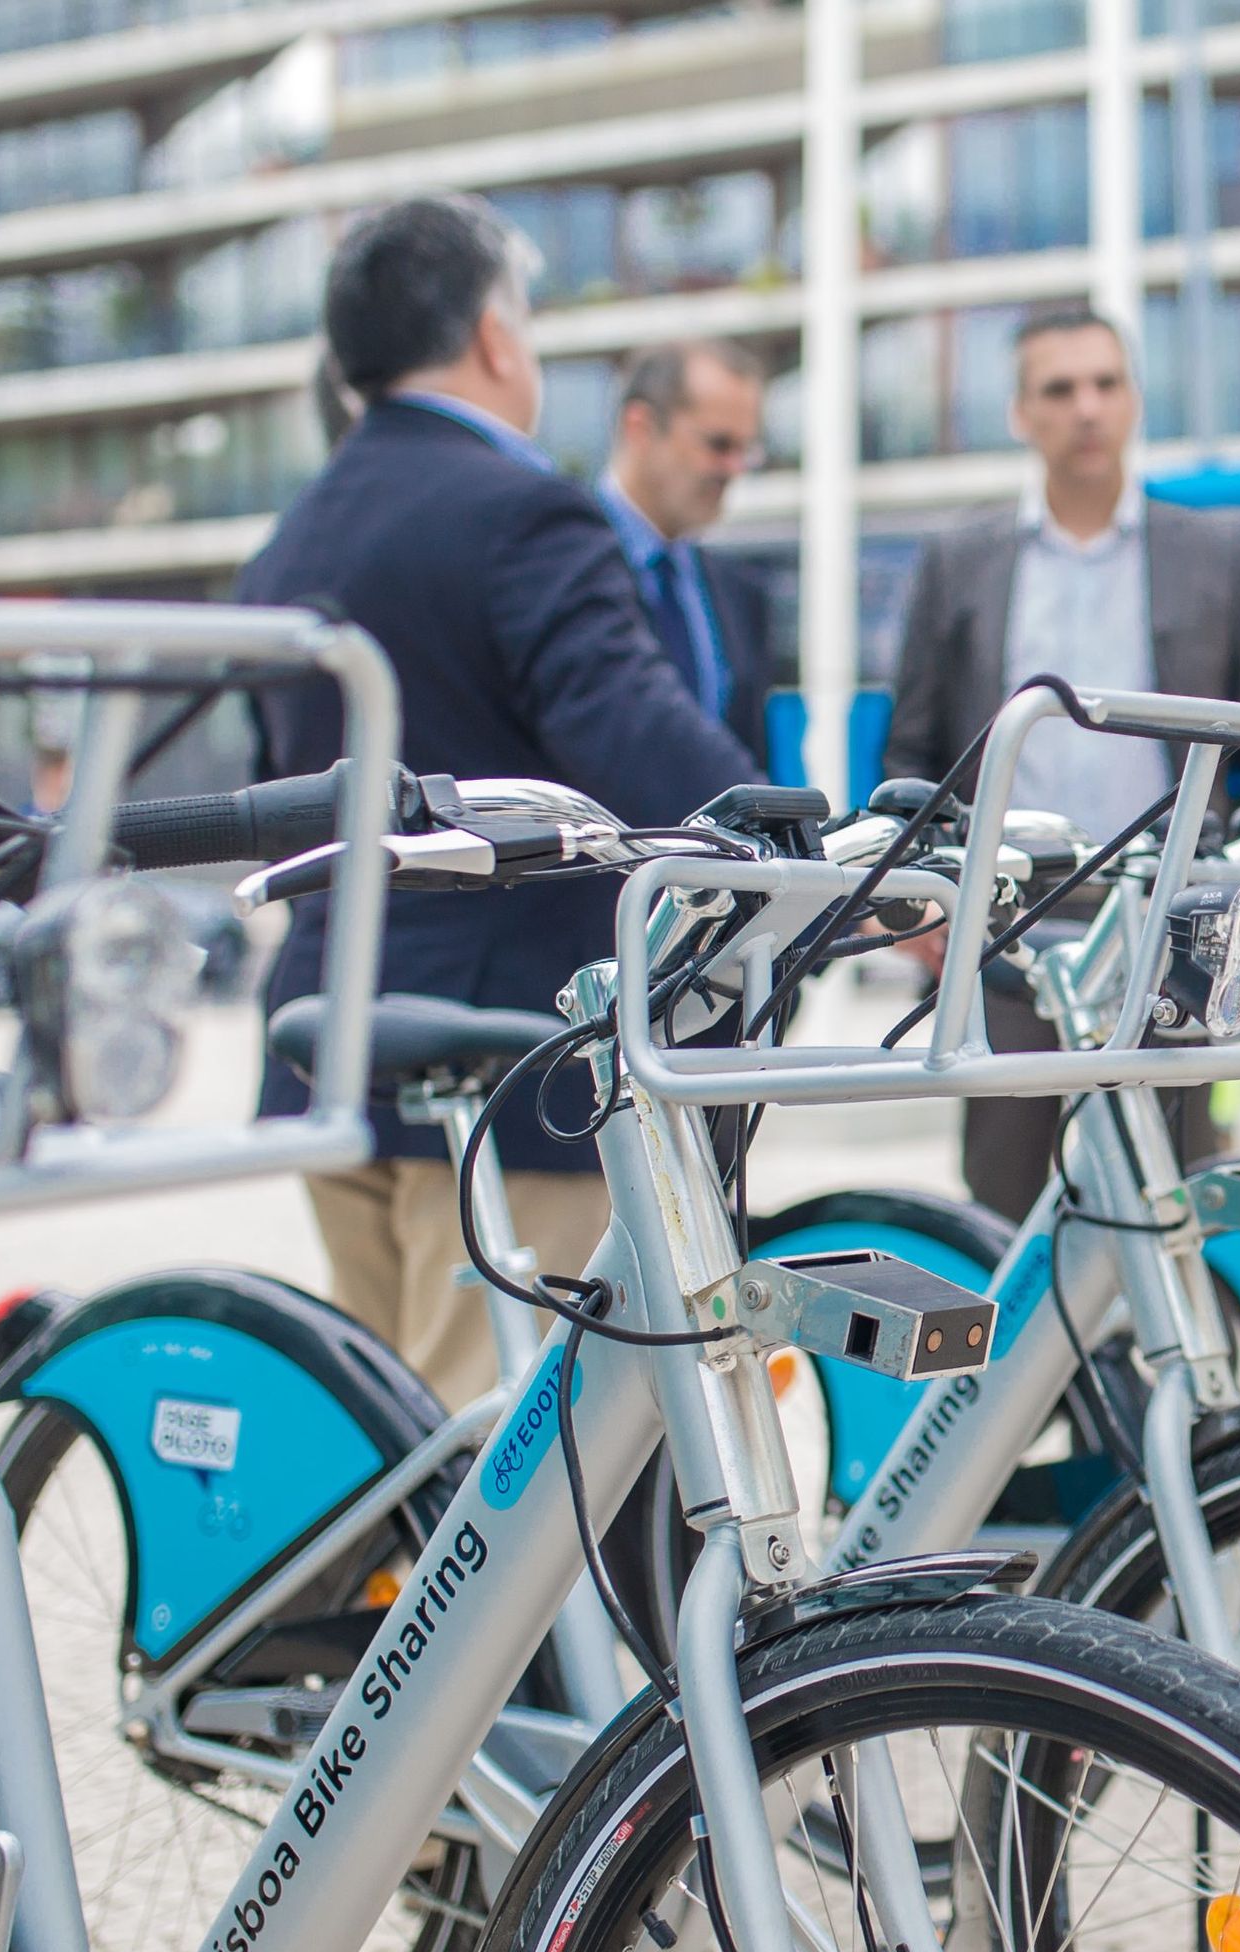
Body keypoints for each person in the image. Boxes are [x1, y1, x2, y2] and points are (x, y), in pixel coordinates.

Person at [240, 196, 764, 1401]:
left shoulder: (294, 538)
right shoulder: (524, 510)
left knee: (387, 1430)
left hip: (330, 1036)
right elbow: (627, 724)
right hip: (507, 1064)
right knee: (501, 1461)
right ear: (494, 336)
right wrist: (814, 842)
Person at [884, 305, 1240, 1223]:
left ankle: (1169, 1365)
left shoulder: (1215, 555)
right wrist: (916, 895)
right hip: (1008, 928)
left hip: (1174, 917)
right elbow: (913, 748)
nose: (1087, 408)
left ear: (1135, 400)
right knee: (1003, 1194)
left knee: (1175, 1186)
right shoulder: (961, 560)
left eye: (1106, 384)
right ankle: (1026, 1371)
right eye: (1060, 389)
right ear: (1021, 413)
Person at [600, 339, 783, 769]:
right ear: (640, 427)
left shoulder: (737, 591)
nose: (735, 470)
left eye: (746, 449)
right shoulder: (559, 564)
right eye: (719, 445)